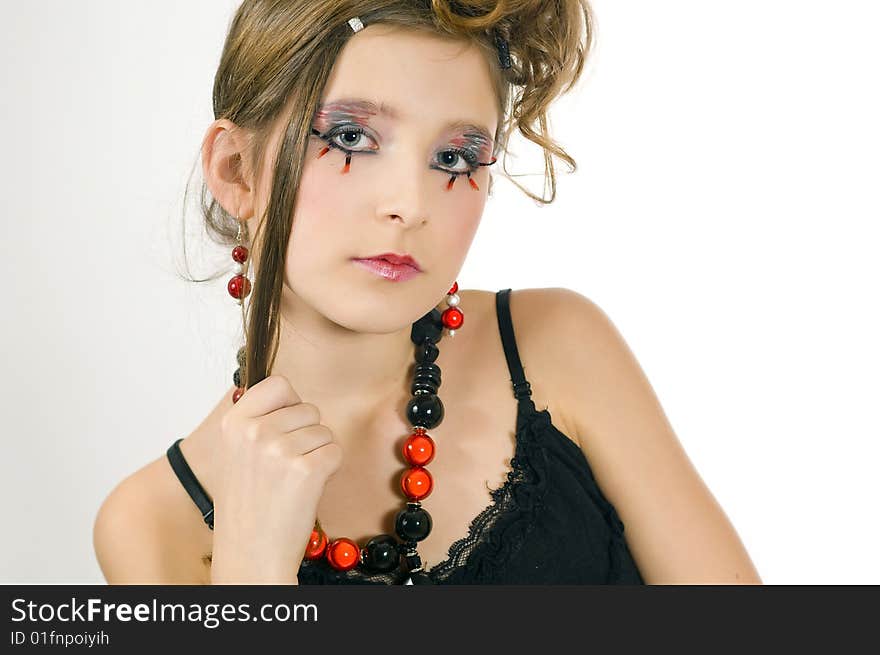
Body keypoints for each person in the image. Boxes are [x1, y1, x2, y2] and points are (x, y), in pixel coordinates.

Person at [93, 0, 762, 585]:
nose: (409, 205)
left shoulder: (558, 346)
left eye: (454, 158)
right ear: (236, 170)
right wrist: (252, 574)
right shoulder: (153, 523)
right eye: (352, 137)